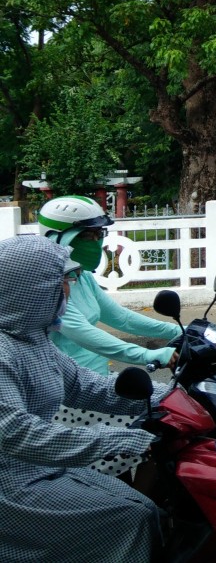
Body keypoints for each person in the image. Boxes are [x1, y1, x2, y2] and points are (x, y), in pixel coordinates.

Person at [0, 235, 162, 563]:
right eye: (63, 282)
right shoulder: (4, 351)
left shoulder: (34, 341)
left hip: (43, 468)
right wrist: (114, 440)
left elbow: (85, 386)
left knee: (145, 506)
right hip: (12, 484)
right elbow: (16, 431)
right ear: (34, 290)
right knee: (131, 517)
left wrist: (171, 395)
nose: (68, 291)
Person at [38, 196, 181, 375]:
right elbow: (84, 333)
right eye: (87, 235)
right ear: (56, 238)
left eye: (99, 234)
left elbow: (121, 318)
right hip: (67, 382)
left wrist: (178, 330)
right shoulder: (50, 286)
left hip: (98, 377)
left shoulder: (83, 277)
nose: (96, 241)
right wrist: (146, 354)